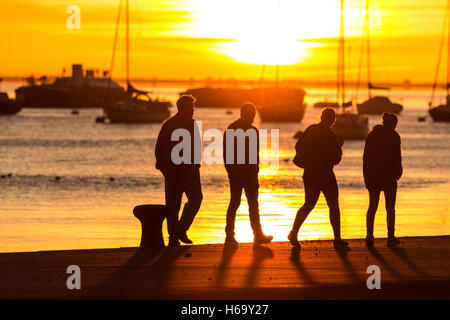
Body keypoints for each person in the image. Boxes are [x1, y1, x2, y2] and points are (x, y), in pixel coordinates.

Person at [288, 108, 348, 249]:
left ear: (321, 117)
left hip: (310, 173)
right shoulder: (332, 137)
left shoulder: (311, 129)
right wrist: (339, 146)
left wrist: (308, 157)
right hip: (326, 174)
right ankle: (337, 238)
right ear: (333, 120)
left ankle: (294, 233)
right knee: (333, 205)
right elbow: (336, 160)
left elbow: (298, 146)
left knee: (308, 204)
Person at [155, 95, 203, 247]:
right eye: (191, 107)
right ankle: (177, 234)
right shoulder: (183, 125)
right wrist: (164, 169)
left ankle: (176, 233)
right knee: (181, 204)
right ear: (184, 108)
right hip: (181, 172)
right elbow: (160, 150)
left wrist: (163, 168)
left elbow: (159, 150)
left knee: (176, 204)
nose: (193, 110)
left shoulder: (169, 124)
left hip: (182, 171)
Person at [223, 102, 273, 246]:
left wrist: (230, 170)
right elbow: (253, 155)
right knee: (250, 204)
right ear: (249, 114)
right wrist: (253, 170)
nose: (253, 117)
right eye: (252, 114)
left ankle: (232, 235)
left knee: (235, 203)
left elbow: (227, 153)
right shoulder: (252, 131)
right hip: (246, 173)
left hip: (239, 172)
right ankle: (255, 235)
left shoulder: (231, 128)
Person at [364, 112, 402, 247]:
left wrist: (366, 177)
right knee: (390, 208)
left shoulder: (372, 135)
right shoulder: (394, 136)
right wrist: (398, 171)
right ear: (391, 123)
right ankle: (390, 237)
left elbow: (366, 158)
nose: (395, 126)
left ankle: (369, 237)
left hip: (375, 176)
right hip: (388, 176)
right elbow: (397, 157)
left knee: (373, 206)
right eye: (395, 124)